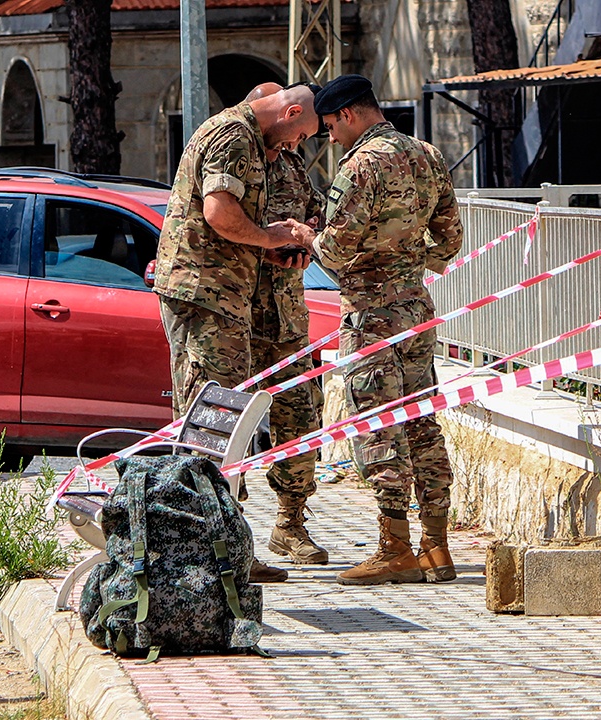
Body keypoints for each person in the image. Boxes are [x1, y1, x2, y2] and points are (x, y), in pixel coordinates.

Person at [294, 75, 463, 585]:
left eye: (327, 127)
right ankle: (437, 545)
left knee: (377, 423)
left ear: (347, 114)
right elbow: (450, 240)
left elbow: (337, 249)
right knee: (421, 422)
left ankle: (395, 547)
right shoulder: (426, 154)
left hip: (370, 315)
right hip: (416, 307)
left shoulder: (362, 164)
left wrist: (306, 235)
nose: (327, 137)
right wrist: (407, 263)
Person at [154, 84, 321, 583]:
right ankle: (213, 548)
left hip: (244, 301)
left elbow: (306, 211)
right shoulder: (233, 135)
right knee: (213, 419)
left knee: (241, 413)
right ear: (289, 112)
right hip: (209, 295)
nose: (297, 146)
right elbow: (220, 213)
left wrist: (291, 239)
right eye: (302, 134)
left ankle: (240, 540)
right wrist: (269, 237)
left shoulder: (269, 147)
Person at [244, 82, 330, 567]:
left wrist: (308, 238)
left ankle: (290, 524)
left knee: (299, 416)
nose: (297, 143)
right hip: (237, 313)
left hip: (288, 316)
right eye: (295, 133)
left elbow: (316, 215)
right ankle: (229, 534)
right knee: (228, 423)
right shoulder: (234, 154)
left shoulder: (294, 165)